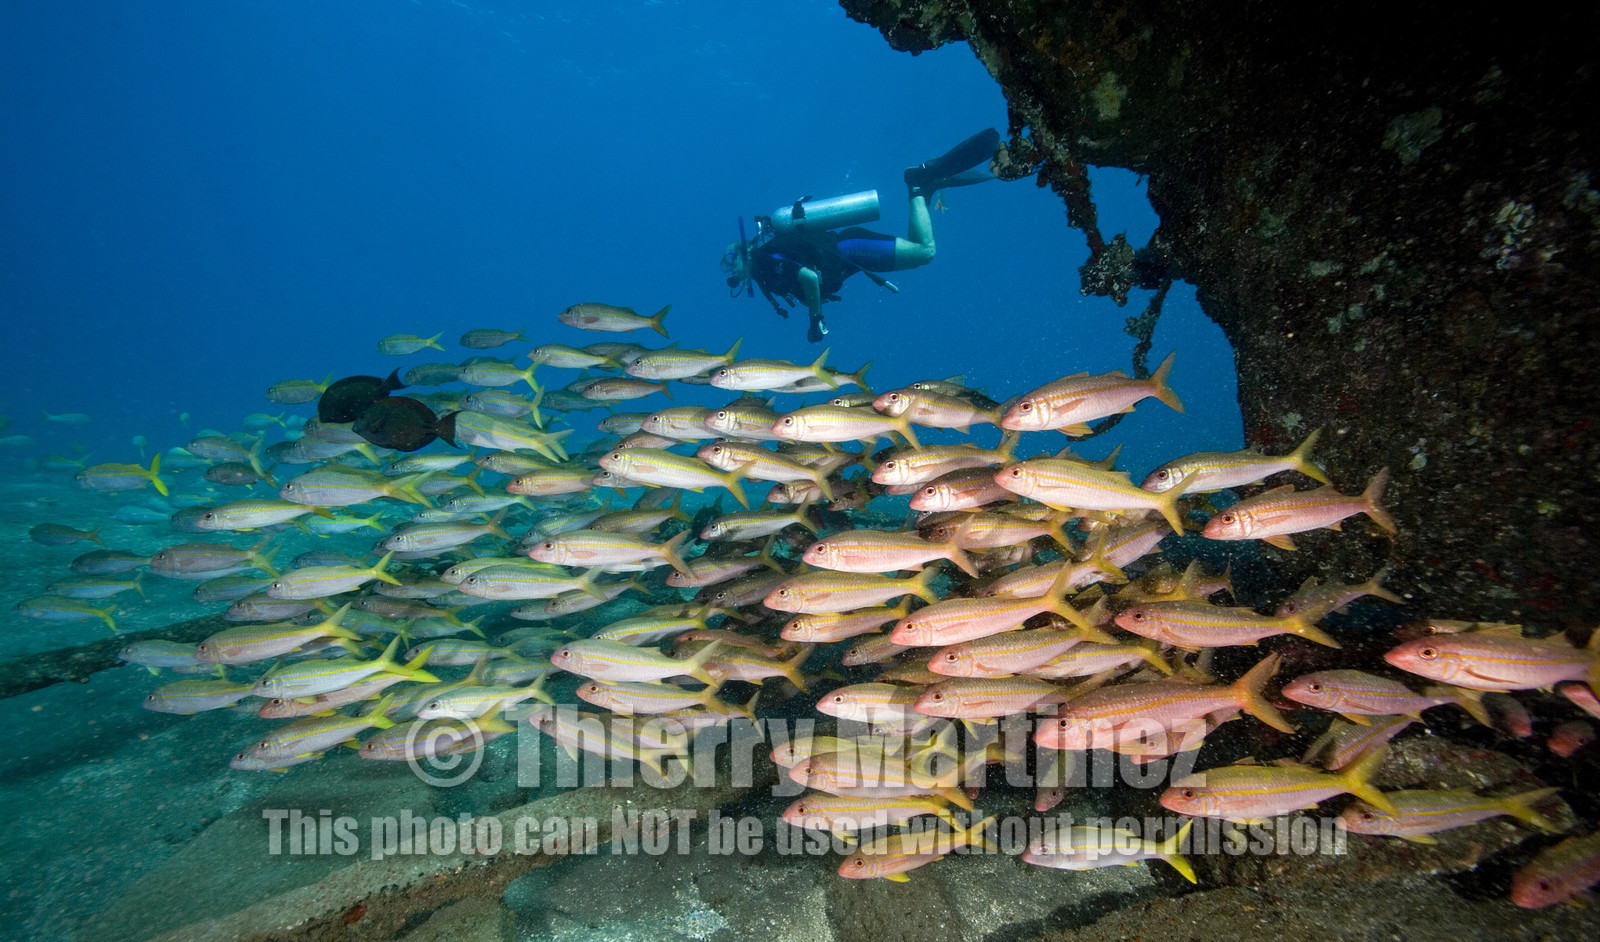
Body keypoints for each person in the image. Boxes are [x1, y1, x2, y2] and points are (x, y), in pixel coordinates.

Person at [722, 129, 1000, 342]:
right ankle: (923, 188)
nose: (729, 267)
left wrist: (815, 318)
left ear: (746, 251)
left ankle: (917, 183)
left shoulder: (766, 260)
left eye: (730, 258)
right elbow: (807, 279)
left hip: (850, 249)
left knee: (924, 252)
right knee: (920, 253)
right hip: (848, 253)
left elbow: (807, 276)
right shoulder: (764, 274)